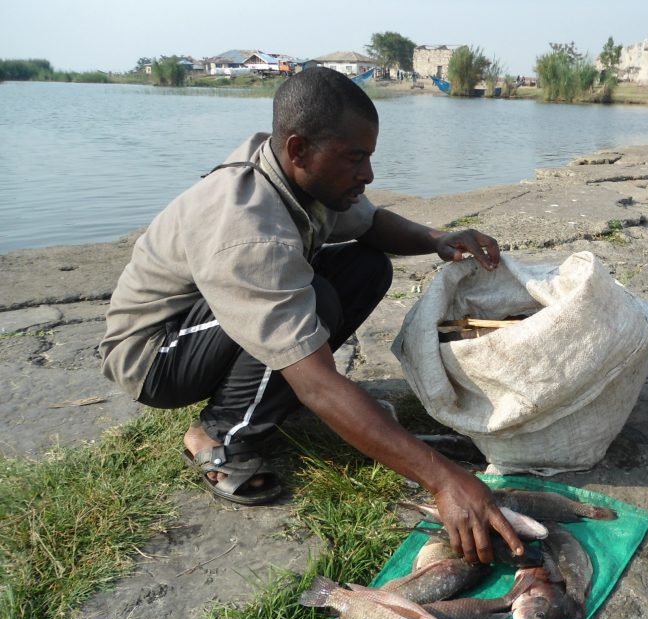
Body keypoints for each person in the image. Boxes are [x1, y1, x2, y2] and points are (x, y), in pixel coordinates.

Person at [99, 67, 524, 565]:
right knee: (311, 307)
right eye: (355, 159)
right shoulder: (250, 232)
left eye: (368, 157)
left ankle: (270, 398)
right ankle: (219, 435)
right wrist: (444, 480)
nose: (367, 175)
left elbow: (371, 224)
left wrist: (435, 240)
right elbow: (318, 381)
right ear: (299, 150)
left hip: (207, 323)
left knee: (366, 266)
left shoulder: (295, 174)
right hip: (156, 355)